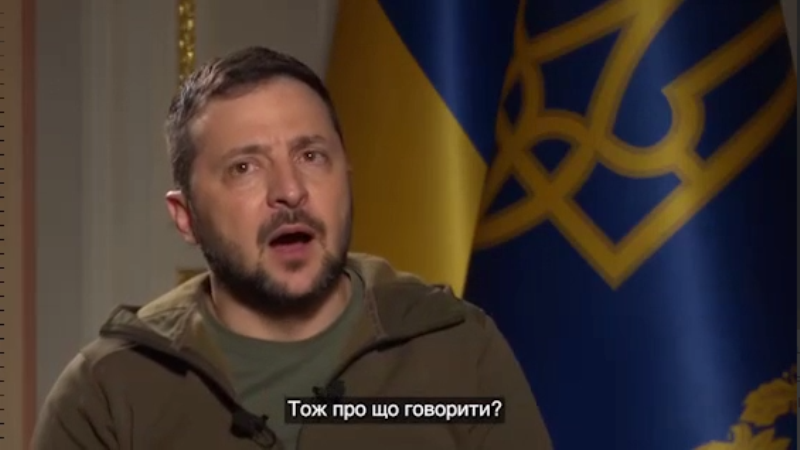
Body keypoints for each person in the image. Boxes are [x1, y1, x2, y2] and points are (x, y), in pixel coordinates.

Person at [31, 46, 552, 450]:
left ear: (347, 178)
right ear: (186, 217)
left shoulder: (458, 350)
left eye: (311, 156)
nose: (290, 190)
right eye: (244, 167)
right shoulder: (108, 392)